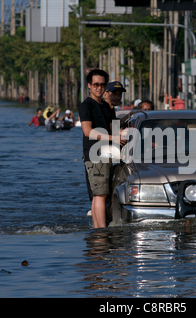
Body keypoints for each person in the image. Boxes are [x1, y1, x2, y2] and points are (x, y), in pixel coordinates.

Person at [79, 69, 126, 228]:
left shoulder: (106, 107)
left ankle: (98, 228)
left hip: (106, 154)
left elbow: (114, 128)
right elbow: (88, 131)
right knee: (100, 195)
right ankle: (101, 232)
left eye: (102, 85)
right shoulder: (87, 105)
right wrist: (113, 138)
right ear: (89, 86)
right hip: (95, 154)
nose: (99, 88)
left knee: (100, 195)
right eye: (96, 84)